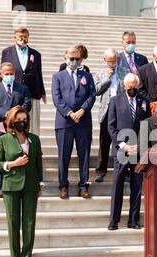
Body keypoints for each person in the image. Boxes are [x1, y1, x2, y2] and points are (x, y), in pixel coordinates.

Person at [0, 106, 43, 257]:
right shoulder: (4, 139)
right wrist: (13, 164)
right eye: (18, 120)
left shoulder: (34, 139)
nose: (22, 122)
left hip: (30, 185)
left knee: (29, 223)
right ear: (12, 121)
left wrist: (39, 185)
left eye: (24, 120)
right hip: (11, 186)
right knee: (13, 224)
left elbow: (38, 164)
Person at [51, 47, 96, 199]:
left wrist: (82, 110)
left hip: (83, 121)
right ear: (65, 58)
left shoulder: (87, 75)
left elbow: (92, 94)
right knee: (64, 155)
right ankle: (63, 186)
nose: (74, 61)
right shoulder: (58, 76)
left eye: (77, 59)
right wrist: (69, 113)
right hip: (65, 122)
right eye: (72, 58)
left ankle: (83, 186)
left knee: (84, 155)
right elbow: (56, 98)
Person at [107, 73, 151, 230]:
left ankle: (133, 220)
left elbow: (147, 126)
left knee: (137, 186)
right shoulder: (115, 101)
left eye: (135, 86)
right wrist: (123, 145)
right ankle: (114, 220)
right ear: (124, 86)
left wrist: (140, 145)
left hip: (138, 151)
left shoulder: (144, 102)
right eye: (130, 86)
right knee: (117, 184)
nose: (133, 88)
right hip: (121, 150)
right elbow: (111, 127)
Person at [0, 62, 32, 198]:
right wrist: (7, 114)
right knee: (1, 158)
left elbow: (27, 103)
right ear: (0, 74)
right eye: (6, 74)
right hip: (0, 127)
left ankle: (18, 185)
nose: (9, 76)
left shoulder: (22, 88)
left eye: (11, 74)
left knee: (17, 156)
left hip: (18, 129)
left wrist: (16, 114)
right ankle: (1, 188)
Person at [1, 27, 46, 136]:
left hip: (32, 92)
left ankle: (33, 147)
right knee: (14, 120)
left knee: (32, 123)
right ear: (15, 38)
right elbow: (3, 71)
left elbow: (39, 73)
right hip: (14, 91)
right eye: (20, 37)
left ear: (28, 38)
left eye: (25, 37)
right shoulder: (7, 52)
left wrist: (42, 92)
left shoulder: (35, 54)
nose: (23, 39)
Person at [94, 48, 129, 183]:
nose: (112, 64)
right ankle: (100, 170)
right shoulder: (101, 73)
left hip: (120, 109)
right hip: (106, 110)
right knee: (104, 141)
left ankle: (124, 170)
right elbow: (97, 91)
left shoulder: (124, 72)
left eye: (114, 61)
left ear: (118, 60)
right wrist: (107, 78)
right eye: (109, 62)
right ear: (105, 61)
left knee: (122, 140)